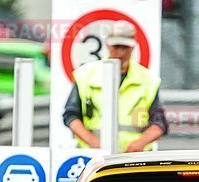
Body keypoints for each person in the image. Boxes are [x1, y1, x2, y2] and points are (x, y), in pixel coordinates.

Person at [62, 21, 168, 152]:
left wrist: (140, 143)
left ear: (133, 47)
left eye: (125, 47)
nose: (120, 52)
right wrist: (92, 142)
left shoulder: (147, 80)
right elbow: (71, 115)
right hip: (93, 156)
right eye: (116, 46)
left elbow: (159, 123)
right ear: (107, 44)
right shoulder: (85, 75)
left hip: (134, 158)